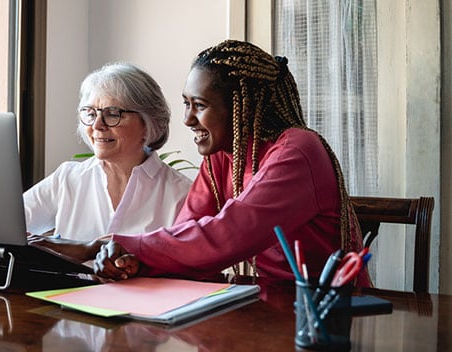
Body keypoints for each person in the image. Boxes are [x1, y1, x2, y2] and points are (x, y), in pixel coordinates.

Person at [91, 40, 370, 287]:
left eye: (199, 105)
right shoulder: (222, 155)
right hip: (268, 303)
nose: (188, 119)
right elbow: (188, 233)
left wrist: (104, 245)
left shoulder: (298, 150)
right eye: (186, 104)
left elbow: (226, 237)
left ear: (240, 108)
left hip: (328, 310)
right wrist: (132, 260)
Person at [23, 63, 192, 243]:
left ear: (148, 122)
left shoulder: (181, 193)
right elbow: (5, 228)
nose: (97, 125)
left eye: (112, 114)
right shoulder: (67, 179)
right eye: (90, 113)